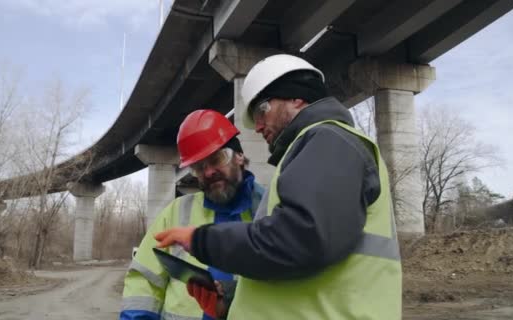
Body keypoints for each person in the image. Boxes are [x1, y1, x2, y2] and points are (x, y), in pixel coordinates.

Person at [155, 54, 402, 320]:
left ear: (296, 97)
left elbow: (303, 239)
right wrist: (230, 305)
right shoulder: (312, 150)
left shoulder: (328, 139)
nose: (258, 127)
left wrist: (202, 240)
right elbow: (296, 273)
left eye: (261, 112)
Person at [119, 109, 265, 320]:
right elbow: (144, 279)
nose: (208, 172)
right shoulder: (176, 212)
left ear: (240, 156)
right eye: (198, 167)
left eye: (217, 159)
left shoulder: (269, 211)